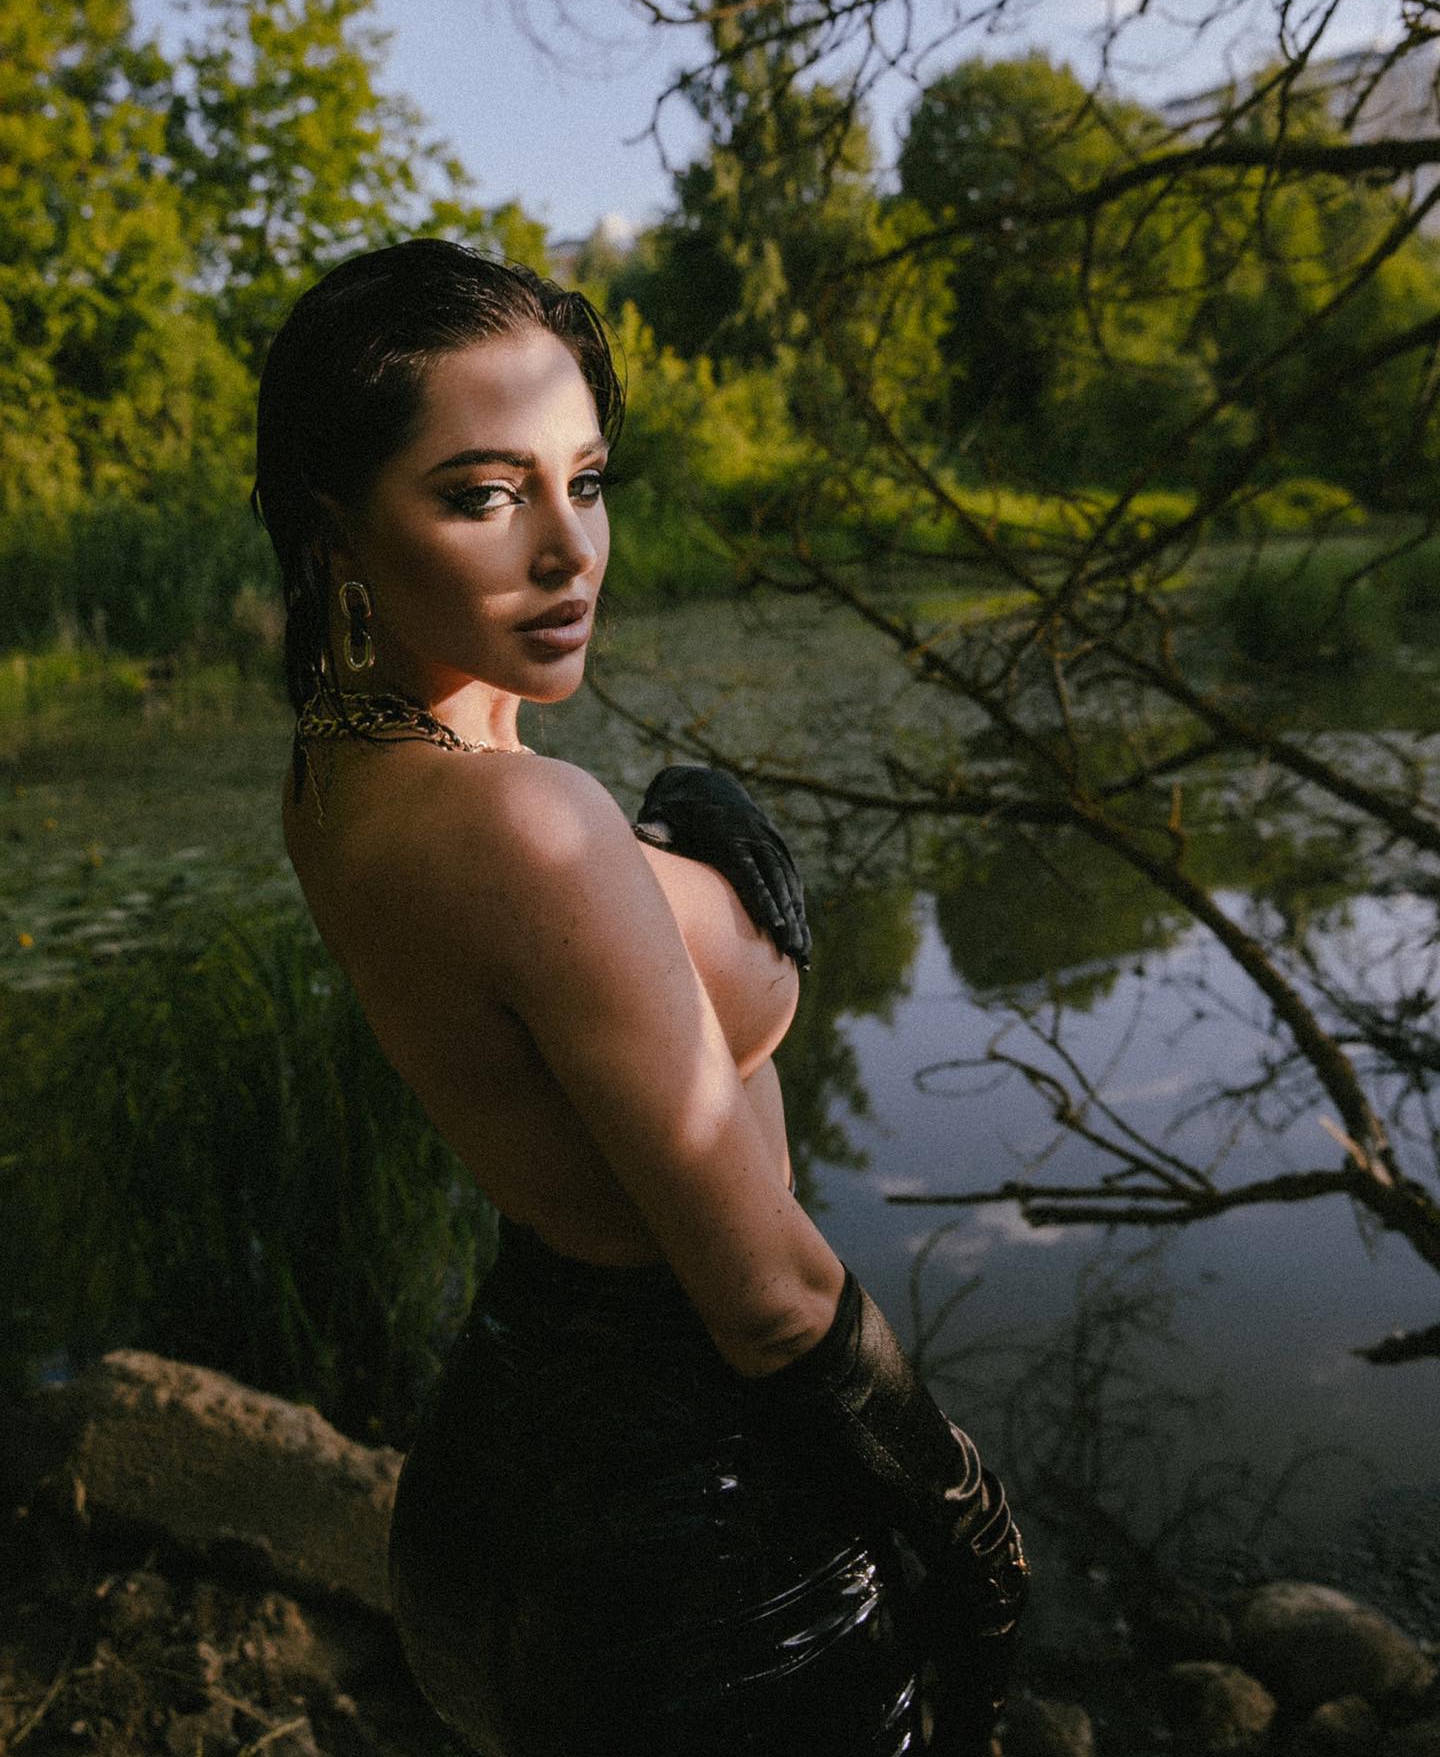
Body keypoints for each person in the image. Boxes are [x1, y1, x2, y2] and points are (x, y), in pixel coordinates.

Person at [253, 238, 1028, 1757]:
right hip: (692, 1545)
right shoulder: (531, 826)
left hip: (515, 1474)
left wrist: (676, 863)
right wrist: (967, 1520)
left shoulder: (342, 774)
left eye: (587, 481)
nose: (570, 551)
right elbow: (771, 1299)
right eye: (486, 495)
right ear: (336, 526)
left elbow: (563, 914)